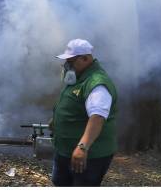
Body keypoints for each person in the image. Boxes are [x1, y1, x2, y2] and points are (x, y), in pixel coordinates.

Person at [50, 39, 117, 186]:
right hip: (67, 150)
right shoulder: (80, 78)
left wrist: (83, 147)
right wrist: (57, 120)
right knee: (60, 182)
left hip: (88, 155)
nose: (67, 66)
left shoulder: (96, 82)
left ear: (85, 58)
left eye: (71, 61)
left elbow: (98, 117)